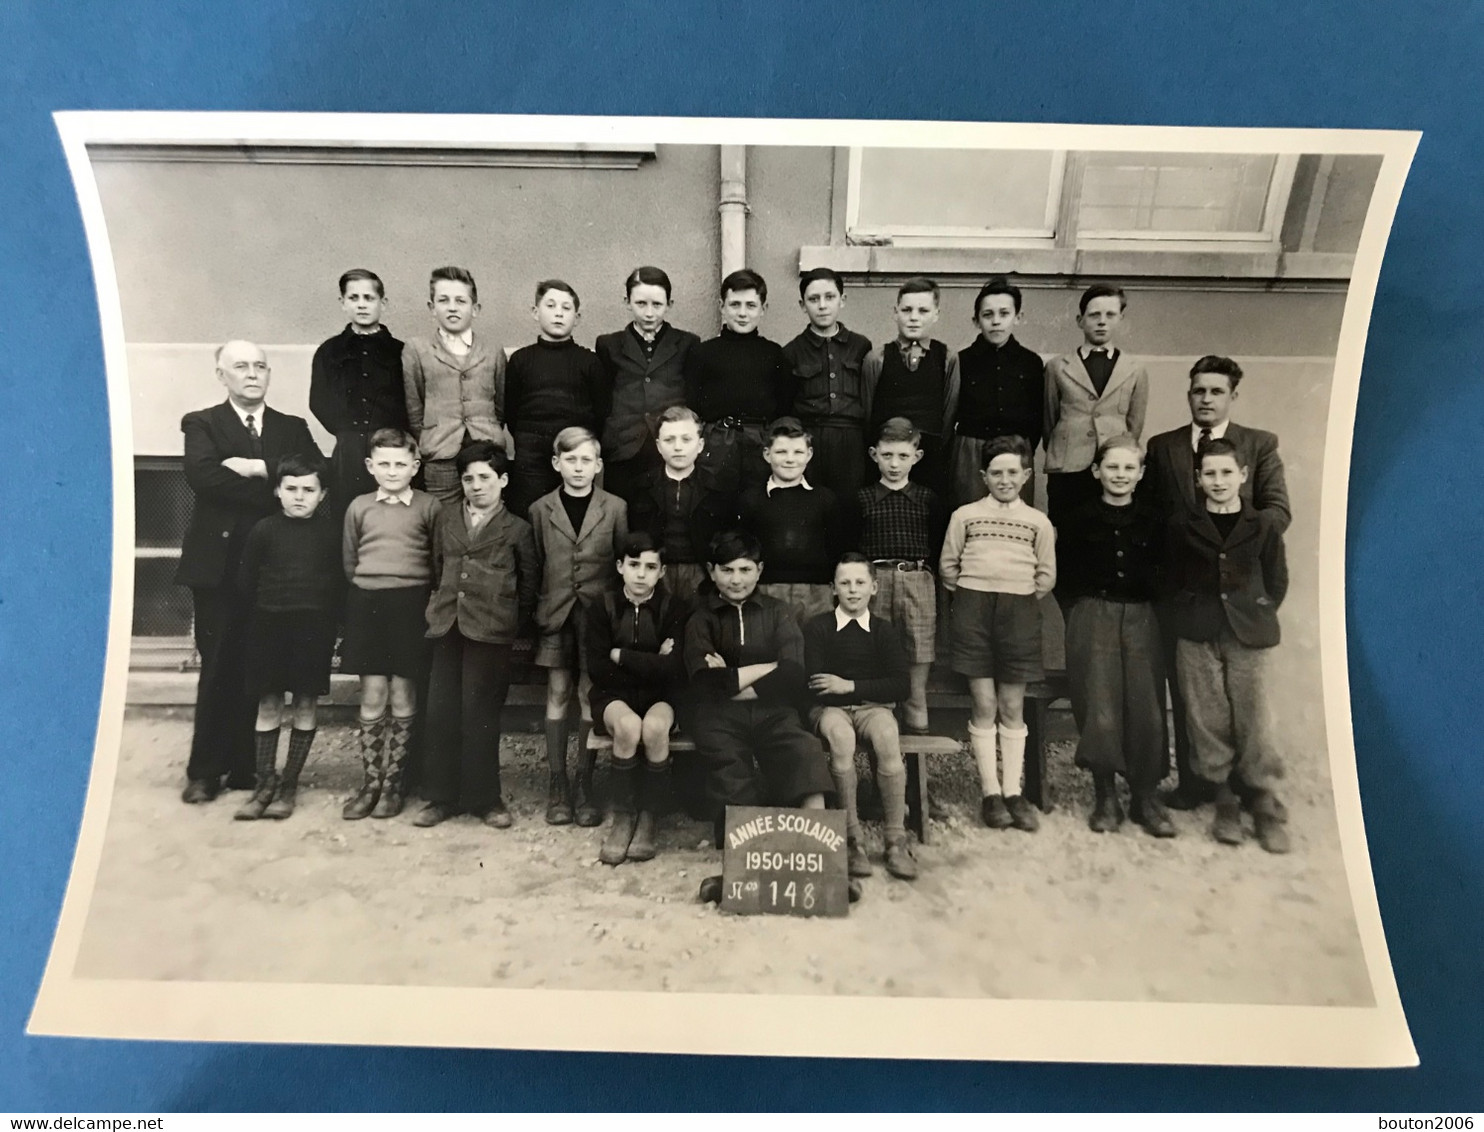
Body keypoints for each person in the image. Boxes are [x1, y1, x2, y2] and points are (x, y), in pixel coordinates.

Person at [1141, 355, 1293, 811]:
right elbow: (1151, 520)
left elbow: (1278, 512)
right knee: (1196, 695)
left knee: (1250, 702)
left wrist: (1237, 546)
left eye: (1216, 391)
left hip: (1242, 596)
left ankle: (1255, 791)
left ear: (1232, 396)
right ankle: (1201, 783)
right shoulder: (1163, 445)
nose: (1206, 399)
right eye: (1198, 390)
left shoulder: (1258, 444)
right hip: (1188, 598)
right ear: (1188, 394)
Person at [176, 340, 318, 804]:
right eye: (241, 366)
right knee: (219, 663)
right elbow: (203, 477)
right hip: (219, 566)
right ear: (222, 375)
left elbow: (319, 472)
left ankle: (245, 768)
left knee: (258, 667)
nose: (252, 374)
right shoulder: (202, 423)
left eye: (260, 366)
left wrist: (259, 466)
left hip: (274, 567)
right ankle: (204, 771)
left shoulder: (290, 427)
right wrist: (275, 489)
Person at [1164, 438, 1291, 853]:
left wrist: (1255, 610)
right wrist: (1187, 613)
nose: (1218, 481)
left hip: (1248, 632)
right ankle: (1223, 796)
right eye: (1209, 474)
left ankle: (1263, 798)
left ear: (1242, 476)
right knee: (1206, 713)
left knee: (1255, 713)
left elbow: (1276, 579)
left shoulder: (1263, 525)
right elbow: (1169, 577)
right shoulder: (1182, 525)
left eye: (1226, 473)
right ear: (1198, 479)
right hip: (1197, 632)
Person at [413, 440, 539, 830]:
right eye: (468, 479)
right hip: (448, 625)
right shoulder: (447, 520)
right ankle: (441, 797)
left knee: (480, 714)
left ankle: (485, 799)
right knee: (441, 712)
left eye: (485, 478)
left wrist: (508, 623)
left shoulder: (517, 528)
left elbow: (529, 583)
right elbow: (437, 567)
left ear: (502, 480)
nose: (476, 486)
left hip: (491, 631)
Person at [683, 530, 836, 848]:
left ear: (759, 570)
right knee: (729, 769)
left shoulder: (777, 611)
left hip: (774, 710)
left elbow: (794, 672)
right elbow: (704, 683)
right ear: (712, 571)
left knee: (804, 750)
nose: (736, 580)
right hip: (718, 717)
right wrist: (769, 668)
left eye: (745, 569)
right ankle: (748, 859)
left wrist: (731, 677)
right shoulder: (701, 618)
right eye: (726, 570)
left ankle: (817, 852)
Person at [1056, 437, 1173, 837]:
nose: (1120, 476)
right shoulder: (1078, 519)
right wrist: (1081, 616)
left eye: (1128, 469)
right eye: (1112, 468)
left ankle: (1144, 796)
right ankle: (1105, 794)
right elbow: (1064, 578)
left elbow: (1166, 574)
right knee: (1099, 706)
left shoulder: (1155, 520)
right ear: (1096, 471)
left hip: (1142, 617)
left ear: (1140, 474)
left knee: (1147, 708)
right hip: (1092, 614)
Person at [940, 434, 1055, 832]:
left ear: (1026, 475)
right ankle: (990, 793)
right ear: (983, 475)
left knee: (1011, 706)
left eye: (1012, 472)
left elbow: (1046, 575)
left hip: (1019, 612)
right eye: (996, 472)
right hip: (973, 610)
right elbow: (948, 568)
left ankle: (1014, 792)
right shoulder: (965, 516)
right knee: (984, 704)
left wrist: (1016, 598)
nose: (1004, 479)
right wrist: (977, 596)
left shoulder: (1037, 522)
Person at [528, 426, 630, 826]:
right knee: (557, 691)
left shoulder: (615, 508)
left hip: (597, 619)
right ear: (556, 463)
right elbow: (537, 563)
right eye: (570, 459)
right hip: (556, 613)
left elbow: (621, 566)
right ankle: (558, 783)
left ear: (598, 465)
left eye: (586, 460)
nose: (578, 467)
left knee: (589, 694)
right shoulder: (540, 510)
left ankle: (585, 782)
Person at [233, 452, 343, 821]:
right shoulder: (263, 530)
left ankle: (289, 784)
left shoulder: (330, 534)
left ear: (322, 494)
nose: (300, 496)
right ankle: (264, 782)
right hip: (268, 627)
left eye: (309, 489)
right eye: (291, 488)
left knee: (306, 704)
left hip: (313, 630)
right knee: (268, 704)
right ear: (277, 490)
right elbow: (246, 584)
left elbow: (338, 587)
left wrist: (334, 631)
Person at [339, 427, 441, 820]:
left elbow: (436, 559)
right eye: (384, 464)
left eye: (401, 464)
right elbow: (350, 561)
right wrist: (370, 588)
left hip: (410, 605)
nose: (393, 471)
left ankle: (394, 784)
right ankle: (371, 782)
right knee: (373, 694)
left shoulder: (428, 507)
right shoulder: (359, 507)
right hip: (367, 603)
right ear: (370, 466)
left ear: (415, 466)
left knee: (403, 693)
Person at [803, 553, 917, 881]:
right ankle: (852, 839)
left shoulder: (883, 631)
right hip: (829, 710)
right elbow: (816, 683)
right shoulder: (819, 627)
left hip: (872, 708)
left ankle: (895, 839)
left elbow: (901, 685)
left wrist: (848, 685)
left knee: (887, 736)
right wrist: (862, 689)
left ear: (874, 587)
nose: (853, 590)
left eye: (860, 583)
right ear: (833, 589)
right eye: (845, 583)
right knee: (841, 738)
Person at [583, 532, 692, 866]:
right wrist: (651, 660)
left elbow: (674, 670)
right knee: (629, 727)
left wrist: (622, 655)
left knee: (656, 727)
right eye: (634, 565)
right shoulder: (602, 606)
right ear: (620, 567)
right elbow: (598, 668)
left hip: (661, 695)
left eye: (650, 566)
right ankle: (624, 815)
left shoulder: (675, 608)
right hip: (613, 694)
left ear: (661, 572)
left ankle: (649, 815)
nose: (641, 574)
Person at [853, 417, 948, 734]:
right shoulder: (862, 499)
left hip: (916, 579)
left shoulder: (927, 499)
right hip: (875, 579)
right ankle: (881, 736)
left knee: (917, 657)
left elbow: (936, 544)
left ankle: (916, 719)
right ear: (873, 454)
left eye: (903, 456)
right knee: (875, 650)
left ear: (916, 457)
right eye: (887, 455)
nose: (894, 464)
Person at [1042, 283, 1149, 530]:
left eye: (1110, 315)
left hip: (1113, 465)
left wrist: (1119, 453)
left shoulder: (1134, 368)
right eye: (1094, 315)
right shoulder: (1058, 367)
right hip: (1069, 465)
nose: (1102, 322)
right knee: (1068, 528)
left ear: (1120, 319)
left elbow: (1135, 423)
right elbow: (1050, 419)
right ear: (1080, 320)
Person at [501, 279, 608, 519]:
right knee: (530, 516)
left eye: (566, 308)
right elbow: (511, 413)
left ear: (577, 317)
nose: (558, 313)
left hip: (574, 453)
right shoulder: (520, 360)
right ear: (535, 312)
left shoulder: (589, 362)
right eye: (551, 306)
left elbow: (601, 413)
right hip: (531, 456)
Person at [683, 268, 796, 493]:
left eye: (751, 306)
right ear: (721, 307)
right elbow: (692, 404)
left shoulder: (774, 354)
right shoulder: (703, 353)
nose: (742, 313)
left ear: (763, 309)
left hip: (761, 442)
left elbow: (784, 405)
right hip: (716, 442)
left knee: (758, 502)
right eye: (735, 305)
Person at [308, 268, 408, 522]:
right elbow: (319, 401)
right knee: (348, 517)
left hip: (391, 450)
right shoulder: (329, 351)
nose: (361, 305)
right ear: (343, 303)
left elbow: (412, 401)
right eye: (354, 298)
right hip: (348, 449)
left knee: (391, 516)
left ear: (383, 303)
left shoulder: (401, 352)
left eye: (369, 298)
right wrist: (348, 431)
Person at [593, 266, 700, 505]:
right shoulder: (609, 345)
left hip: (667, 448)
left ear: (669, 304)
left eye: (657, 305)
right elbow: (602, 399)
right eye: (641, 304)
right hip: (623, 447)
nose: (649, 313)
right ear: (627, 302)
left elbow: (691, 397)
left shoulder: (687, 343)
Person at [402, 266, 506, 506]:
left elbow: (500, 404)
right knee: (443, 520)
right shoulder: (417, 349)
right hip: (441, 451)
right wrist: (432, 437)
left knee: (488, 514)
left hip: (485, 448)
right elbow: (414, 405)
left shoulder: (492, 350)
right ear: (432, 307)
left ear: (475, 308)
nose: (452, 307)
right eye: (443, 300)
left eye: (461, 300)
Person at [626, 405, 738, 604]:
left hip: (701, 575)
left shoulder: (718, 489)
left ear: (701, 445)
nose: (678, 447)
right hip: (656, 575)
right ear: (659, 446)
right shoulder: (640, 487)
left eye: (686, 440)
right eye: (669, 440)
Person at [737, 417, 844, 624]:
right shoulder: (751, 499)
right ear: (767, 455)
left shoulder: (824, 499)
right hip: (766, 590)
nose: (790, 459)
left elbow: (836, 547)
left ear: (809, 455)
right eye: (781, 452)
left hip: (816, 592)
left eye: (798, 452)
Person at [949, 276, 1044, 508]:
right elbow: (951, 409)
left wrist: (1022, 447)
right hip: (972, 452)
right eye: (988, 315)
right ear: (976, 320)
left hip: (1015, 451)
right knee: (971, 512)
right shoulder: (962, 360)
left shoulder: (1030, 362)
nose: (996, 322)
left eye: (1004, 314)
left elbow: (1038, 415)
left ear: (1018, 317)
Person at [862, 277, 961, 498]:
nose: (914, 317)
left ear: (936, 314)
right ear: (895, 312)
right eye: (906, 310)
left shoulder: (947, 358)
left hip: (930, 458)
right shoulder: (877, 358)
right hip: (888, 460)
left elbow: (948, 413)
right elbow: (868, 413)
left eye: (923, 311)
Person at [782, 267, 873, 501]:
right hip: (810, 438)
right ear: (803, 305)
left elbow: (869, 395)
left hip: (851, 441)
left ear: (842, 300)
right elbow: (786, 406)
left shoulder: (861, 346)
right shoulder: (792, 352)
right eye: (813, 299)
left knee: (849, 506)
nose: (822, 305)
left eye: (829, 297)